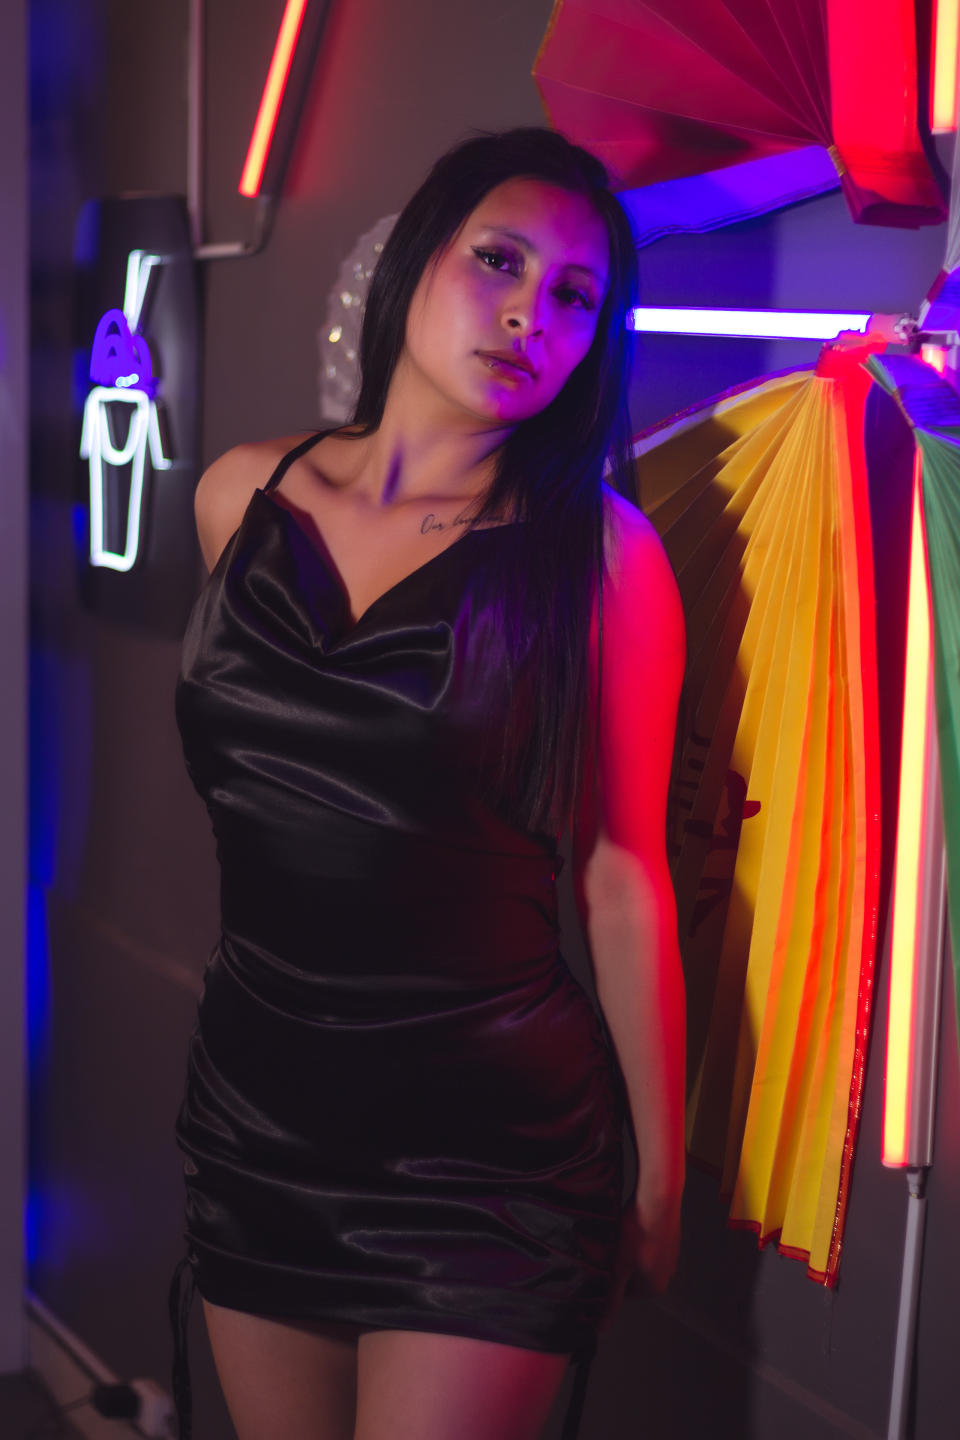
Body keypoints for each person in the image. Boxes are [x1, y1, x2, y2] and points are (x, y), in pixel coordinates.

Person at [168, 125, 686, 1440]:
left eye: (576, 297)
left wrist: (661, 1173)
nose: (530, 315)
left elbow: (622, 876)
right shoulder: (239, 497)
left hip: (486, 1156)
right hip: (260, 1115)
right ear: (414, 260)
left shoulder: (602, 560)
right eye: (499, 261)